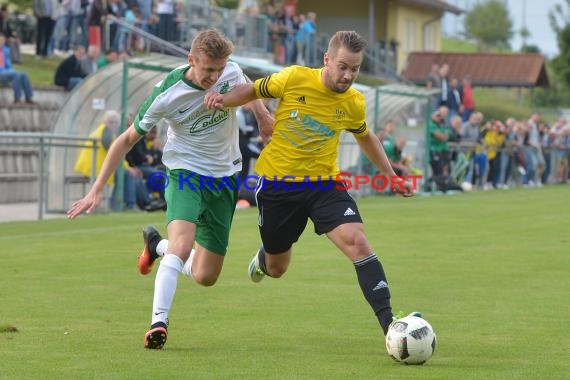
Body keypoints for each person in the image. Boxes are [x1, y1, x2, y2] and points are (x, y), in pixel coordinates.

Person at [67, 29, 273, 349]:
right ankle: (158, 322)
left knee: (206, 276)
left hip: (224, 177)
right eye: (208, 70)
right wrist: (95, 189)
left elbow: (249, 89)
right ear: (191, 60)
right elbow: (124, 141)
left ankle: (155, 247)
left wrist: (262, 116)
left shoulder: (229, 70)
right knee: (182, 244)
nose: (215, 76)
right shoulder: (166, 93)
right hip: (184, 173)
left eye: (219, 69)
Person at [203, 30, 418, 339]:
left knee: (357, 242)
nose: (348, 75)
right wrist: (222, 100)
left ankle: (391, 327)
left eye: (355, 69)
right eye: (342, 66)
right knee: (278, 268)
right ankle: (265, 257)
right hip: (278, 186)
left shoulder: (354, 102)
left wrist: (391, 175)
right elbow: (251, 90)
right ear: (327, 60)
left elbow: (365, 136)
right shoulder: (293, 78)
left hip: (324, 184)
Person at [0, 32, 36, 104]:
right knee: (16, 74)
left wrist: (10, 71)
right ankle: (17, 98)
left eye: (2, 41)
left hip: (6, 72)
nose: (1, 42)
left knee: (24, 74)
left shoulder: (5, 51)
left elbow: (9, 65)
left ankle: (28, 98)